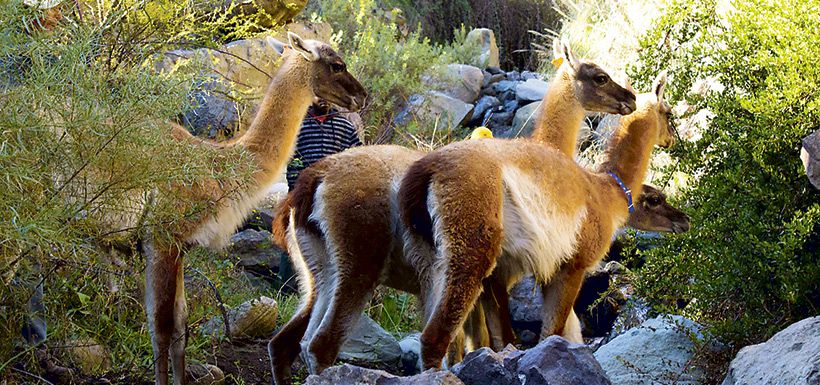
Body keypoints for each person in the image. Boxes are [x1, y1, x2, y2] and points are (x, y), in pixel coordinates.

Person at [278, 98, 361, 289]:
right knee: (294, 238)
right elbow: (290, 158)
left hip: (332, 197)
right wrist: (297, 190)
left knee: (330, 242)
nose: (323, 98)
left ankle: (326, 290)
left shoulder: (344, 126)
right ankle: (286, 289)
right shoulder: (297, 123)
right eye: (319, 93)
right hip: (301, 195)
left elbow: (357, 157)